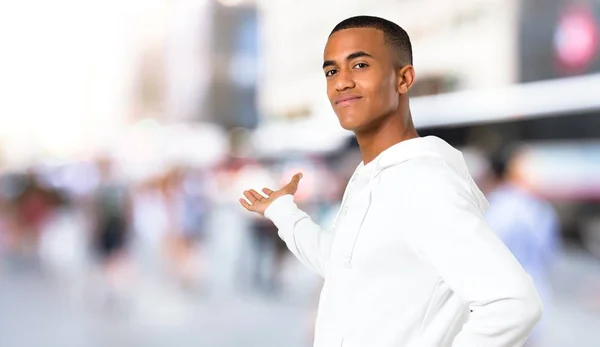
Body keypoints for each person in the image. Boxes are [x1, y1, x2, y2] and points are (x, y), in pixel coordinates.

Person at [239, 15, 542, 347]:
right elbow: (341, 264)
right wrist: (283, 211)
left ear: (404, 78)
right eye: (331, 71)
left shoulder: (422, 181)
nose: (341, 82)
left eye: (359, 65)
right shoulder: (373, 178)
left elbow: (512, 304)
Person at [484, 148, 560, 346]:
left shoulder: (494, 208)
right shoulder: (541, 208)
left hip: (503, 307)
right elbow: (549, 255)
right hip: (537, 299)